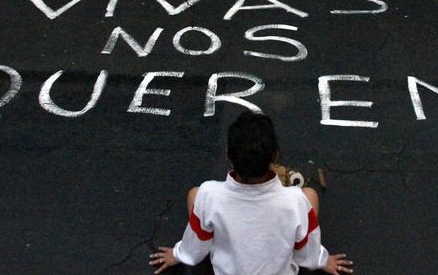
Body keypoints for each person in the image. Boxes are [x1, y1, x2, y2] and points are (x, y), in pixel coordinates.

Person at [149, 111, 354, 275]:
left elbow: (195, 249)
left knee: (194, 194)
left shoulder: (209, 194)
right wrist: (322, 261)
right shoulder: (295, 201)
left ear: (228, 156)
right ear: (275, 156)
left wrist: (178, 254)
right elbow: (305, 254)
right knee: (310, 194)